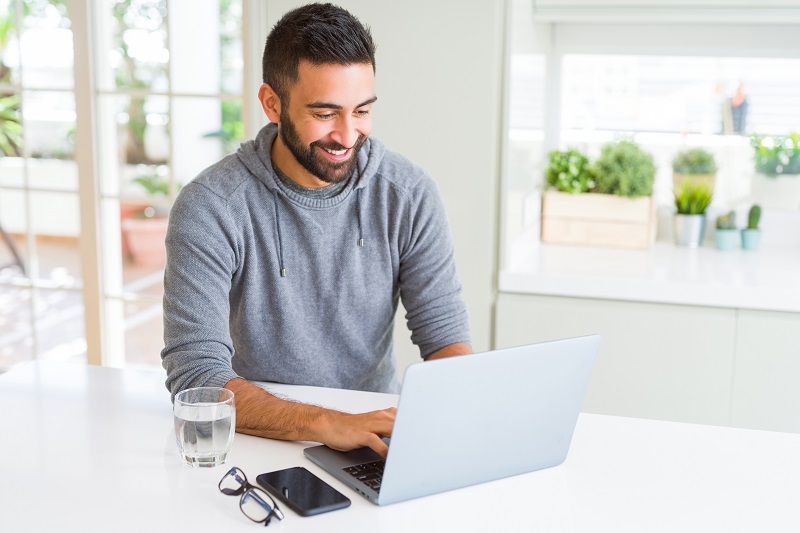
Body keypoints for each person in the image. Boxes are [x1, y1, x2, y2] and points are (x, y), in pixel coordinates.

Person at [161, 3, 471, 458]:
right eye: (325, 114)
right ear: (272, 103)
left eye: (362, 111)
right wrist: (326, 424)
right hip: (258, 437)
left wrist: (470, 409)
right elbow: (198, 378)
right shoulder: (211, 207)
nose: (347, 136)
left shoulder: (408, 193)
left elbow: (444, 337)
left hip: (373, 435)